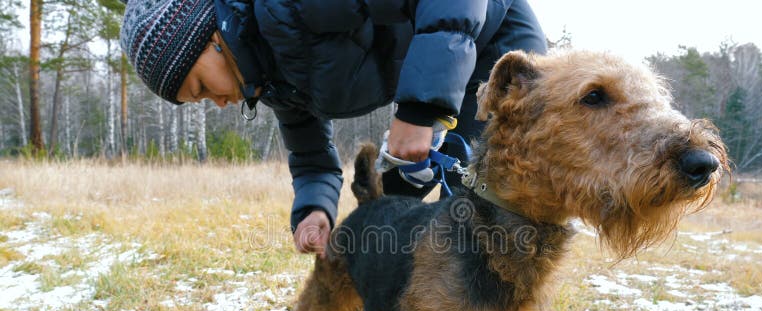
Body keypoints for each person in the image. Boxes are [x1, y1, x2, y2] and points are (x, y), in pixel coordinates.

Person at [120, 0, 547, 256]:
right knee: (392, 204)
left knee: (478, 209)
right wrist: (313, 211)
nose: (214, 103)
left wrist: (420, 110)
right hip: (438, 62)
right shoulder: (271, 78)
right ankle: (363, 296)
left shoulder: (294, 7)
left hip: (496, 39)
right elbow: (310, 156)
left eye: (199, 88)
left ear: (208, 34)